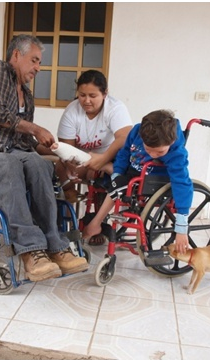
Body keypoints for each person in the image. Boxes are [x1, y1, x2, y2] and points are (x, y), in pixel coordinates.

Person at [0, 35, 88, 282]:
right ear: (16, 55)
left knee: (39, 164)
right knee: (8, 163)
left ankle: (55, 245)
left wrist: (58, 156)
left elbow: (25, 143)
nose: (38, 68)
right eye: (35, 60)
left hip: (11, 153)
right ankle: (30, 252)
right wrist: (36, 129)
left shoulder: (26, 97)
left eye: (40, 62)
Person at [82, 109, 194, 254]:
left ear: (171, 142)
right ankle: (109, 171)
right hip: (132, 169)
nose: (153, 154)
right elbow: (124, 153)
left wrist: (181, 228)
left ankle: (95, 223)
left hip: (152, 177)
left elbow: (182, 184)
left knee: (117, 187)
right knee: (103, 174)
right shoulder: (136, 131)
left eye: (159, 152)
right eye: (148, 149)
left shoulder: (176, 153)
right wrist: (117, 172)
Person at [55, 70, 133, 245]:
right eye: (82, 95)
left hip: (110, 156)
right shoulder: (72, 111)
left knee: (106, 177)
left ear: (105, 94)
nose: (86, 100)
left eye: (93, 95)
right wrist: (70, 166)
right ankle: (70, 223)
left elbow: (124, 137)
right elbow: (66, 147)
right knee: (59, 168)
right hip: (81, 157)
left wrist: (102, 160)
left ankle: (99, 221)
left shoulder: (115, 108)